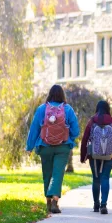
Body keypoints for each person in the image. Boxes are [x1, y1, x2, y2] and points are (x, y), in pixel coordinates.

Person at [26, 85, 80, 214]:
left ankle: (48, 202)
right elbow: (76, 131)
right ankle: (55, 201)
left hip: (45, 146)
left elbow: (34, 129)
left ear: (49, 95)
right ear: (62, 95)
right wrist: (68, 138)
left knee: (47, 174)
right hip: (63, 147)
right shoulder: (68, 109)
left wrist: (29, 147)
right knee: (57, 174)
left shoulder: (42, 109)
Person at [80, 100, 112, 214]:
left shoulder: (92, 121)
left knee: (96, 179)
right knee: (105, 178)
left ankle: (96, 205)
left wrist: (83, 156)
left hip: (94, 155)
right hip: (110, 155)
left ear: (97, 108)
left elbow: (85, 138)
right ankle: (103, 205)